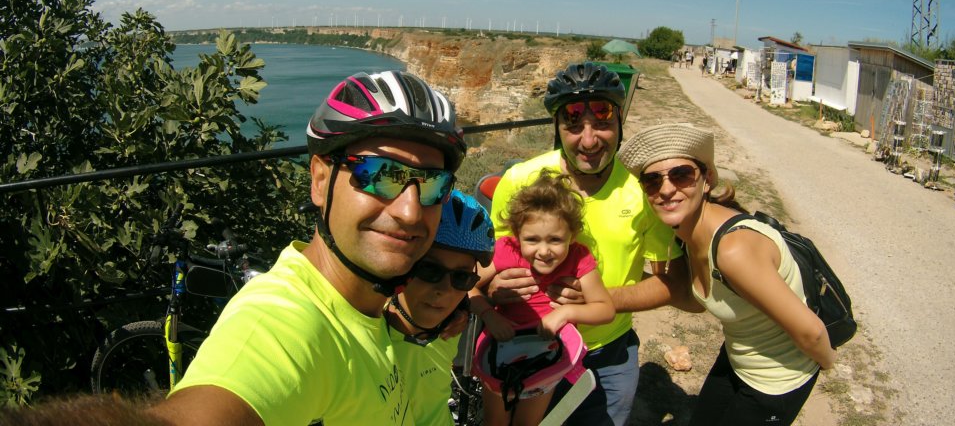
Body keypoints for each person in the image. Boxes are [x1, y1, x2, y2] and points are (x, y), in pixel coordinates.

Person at [149, 70, 468, 425]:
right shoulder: (282, 322)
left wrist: (455, 305)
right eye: (380, 174)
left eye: (433, 184)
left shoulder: (368, 304)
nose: (410, 212)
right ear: (320, 180)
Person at [486, 61, 686, 426]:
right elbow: (488, 263)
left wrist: (600, 299)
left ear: (620, 123)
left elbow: (672, 284)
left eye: (603, 121)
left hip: (607, 354)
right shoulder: (518, 181)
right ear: (557, 128)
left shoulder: (645, 192)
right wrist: (490, 288)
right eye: (574, 123)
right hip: (526, 346)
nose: (589, 140)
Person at [618, 123, 836, 426]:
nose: (666, 189)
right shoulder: (687, 233)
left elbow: (812, 333)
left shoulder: (733, 250)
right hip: (738, 358)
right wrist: (618, 278)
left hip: (776, 382)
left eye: (681, 174)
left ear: (707, 179)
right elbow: (695, 300)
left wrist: (826, 363)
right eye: (652, 180)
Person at [470, 169, 615, 426]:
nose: (544, 251)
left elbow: (605, 309)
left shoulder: (579, 257)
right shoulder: (506, 250)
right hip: (501, 348)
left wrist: (566, 312)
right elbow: (465, 286)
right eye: (532, 240)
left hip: (547, 356)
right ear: (516, 234)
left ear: (572, 234)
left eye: (555, 240)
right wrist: (489, 315)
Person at [386, 189, 495, 426]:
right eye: (429, 270)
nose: (444, 290)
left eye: (461, 278)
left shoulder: (450, 326)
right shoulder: (365, 333)